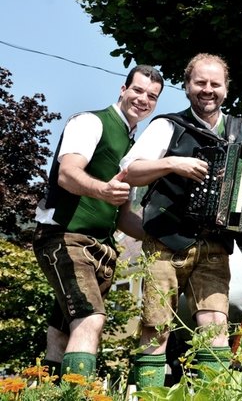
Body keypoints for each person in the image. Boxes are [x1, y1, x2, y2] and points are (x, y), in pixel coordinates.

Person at [120, 53, 242, 388]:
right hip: (167, 240)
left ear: (226, 89)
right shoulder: (167, 126)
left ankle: (213, 395)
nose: (207, 90)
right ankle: (150, 395)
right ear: (187, 86)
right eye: (200, 83)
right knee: (156, 326)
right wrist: (173, 164)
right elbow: (130, 171)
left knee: (215, 325)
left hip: (214, 245)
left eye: (215, 84)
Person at [32, 65, 165, 379]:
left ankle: (46, 395)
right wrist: (102, 189)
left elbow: (123, 217)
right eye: (138, 90)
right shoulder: (90, 122)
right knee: (91, 320)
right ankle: (78, 396)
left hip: (102, 251)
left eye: (152, 96)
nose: (143, 99)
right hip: (65, 238)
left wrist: (166, 239)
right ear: (123, 89)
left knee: (61, 333)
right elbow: (68, 174)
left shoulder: (134, 149)